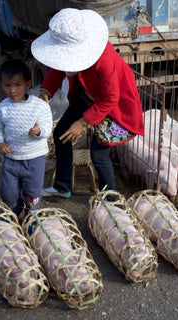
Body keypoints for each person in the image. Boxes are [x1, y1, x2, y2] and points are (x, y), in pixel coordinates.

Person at [31, 8, 144, 199]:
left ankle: (111, 198)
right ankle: (62, 186)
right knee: (61, 135)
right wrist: (45, 93)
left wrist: (82, 122)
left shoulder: (103, 58)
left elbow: (110, 98)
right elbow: (56, 70)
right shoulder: (66, 52)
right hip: (86, 95)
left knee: (98, 153)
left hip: (115, 108)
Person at [0, 59, 53, 216]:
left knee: (33, 193)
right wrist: (0, 143)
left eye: (18, 85)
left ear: (28, 84)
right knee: (8, 192)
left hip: (35, 159)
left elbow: (48, 128)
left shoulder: (39, 106)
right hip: (11, 158)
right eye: (7, 85)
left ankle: (31, 217)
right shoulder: (2, 108)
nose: (12, 90)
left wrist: (39, 131)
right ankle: (15, 211)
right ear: (1, 85)